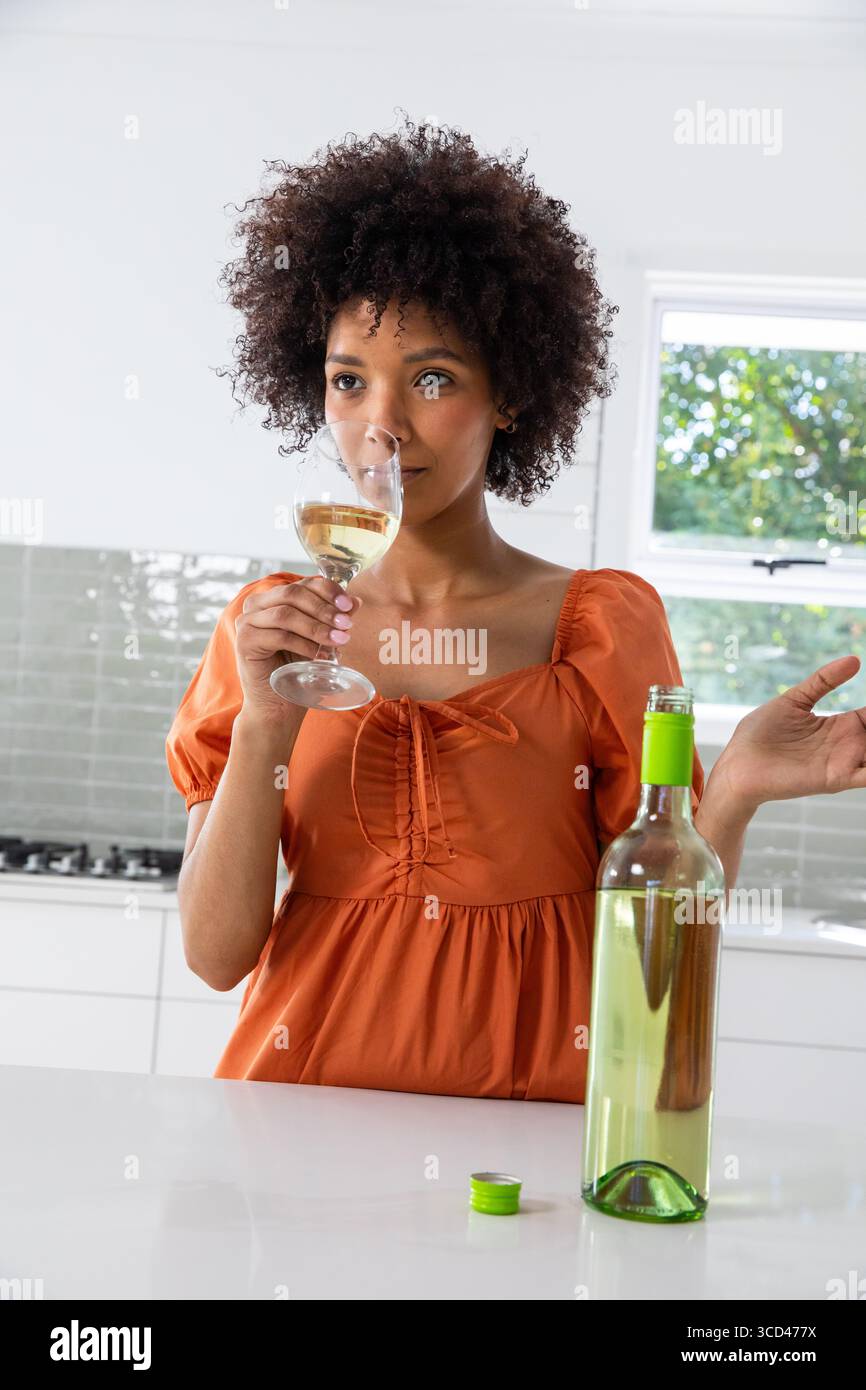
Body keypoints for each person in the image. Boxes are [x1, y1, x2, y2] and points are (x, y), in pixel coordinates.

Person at [166, 118, 866, 1102]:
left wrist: (735, 788)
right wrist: (263, 730)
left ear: (509, 396)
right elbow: (212, 955)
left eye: (434, 378)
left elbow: (655, 971)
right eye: (347, 380)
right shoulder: (266, 628)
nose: (381, 425)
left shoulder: (599, 623)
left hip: (535, 1127)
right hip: (294, 1112)